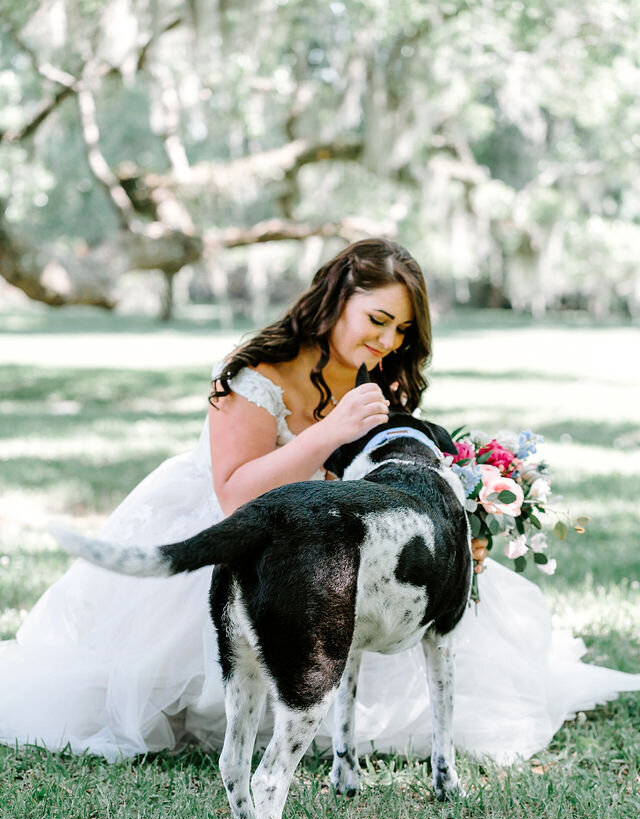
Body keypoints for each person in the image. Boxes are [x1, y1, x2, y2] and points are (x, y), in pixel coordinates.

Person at [2, 238, 639, 766]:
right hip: (247, 533)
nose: (388, 343)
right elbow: (235, 495)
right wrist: (332, 432)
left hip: (340, 539)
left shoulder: (377, 373)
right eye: (378, 321)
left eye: (403, 330)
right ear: (336, 300)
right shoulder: (258, 372)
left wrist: (455, 528)